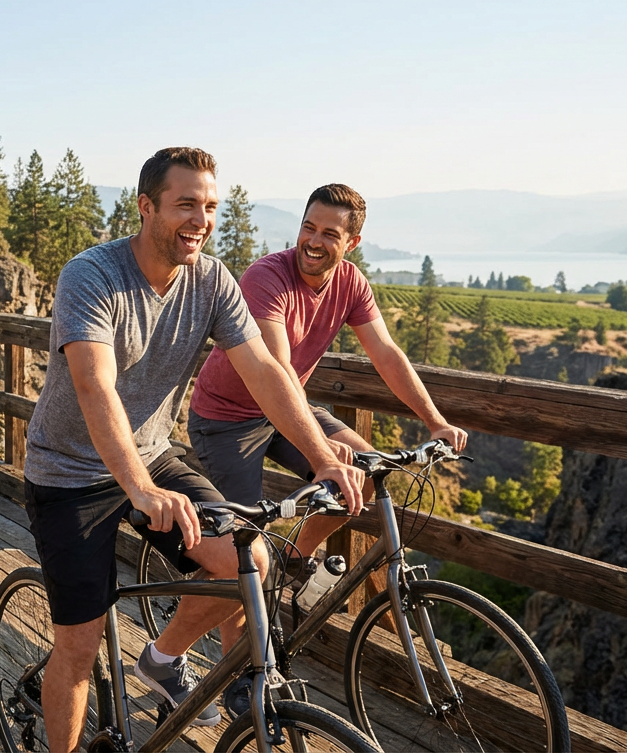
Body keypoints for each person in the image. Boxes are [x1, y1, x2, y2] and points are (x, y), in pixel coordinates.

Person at [23, 148, 365, 751]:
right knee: (79, 643)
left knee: (249, 559)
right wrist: (139, 489)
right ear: (146, 207)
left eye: (209, 206)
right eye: (185, 204)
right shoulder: (91, 275)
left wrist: (322, 457)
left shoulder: (212, 280)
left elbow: (265, 371)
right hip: (69, 473)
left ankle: (159, 659)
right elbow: (94, 385)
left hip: (152, 455)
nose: (200, 220)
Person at [188, 183, 468, 563]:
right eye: (309, 227)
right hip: (226, 420)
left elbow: (386, 354)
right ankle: (241, 588)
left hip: (289, 408)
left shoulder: (351, 283)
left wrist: (436, 423)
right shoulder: (266, 277)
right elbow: (278, 367)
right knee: (243, 549)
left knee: (366, 473)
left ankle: (292, 561)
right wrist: (319, 448)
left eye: (330, 234)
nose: (314, 241)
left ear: (352, 243)